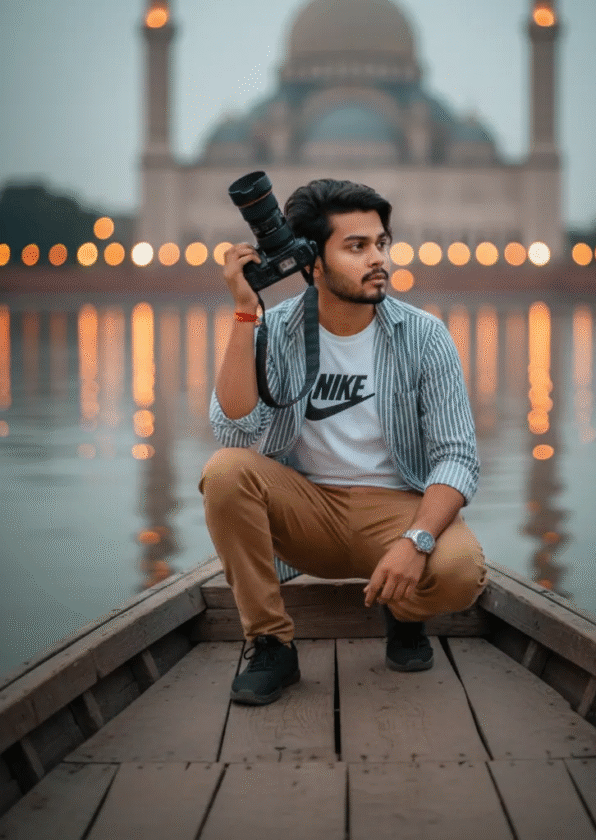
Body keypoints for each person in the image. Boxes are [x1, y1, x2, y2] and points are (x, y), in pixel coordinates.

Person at [199, 178, 488, 705]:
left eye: (381, 243)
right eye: (356, 247)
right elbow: (235, 432)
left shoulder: (423, 336)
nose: (377, 258)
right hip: (307, 511)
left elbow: (458, 457)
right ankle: (270, 643)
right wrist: (245, 312)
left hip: (395, 510)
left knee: (460, 572)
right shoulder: (279, 330)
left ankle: (403, 614)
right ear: (312, 262)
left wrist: (416, 541)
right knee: (224, 470)